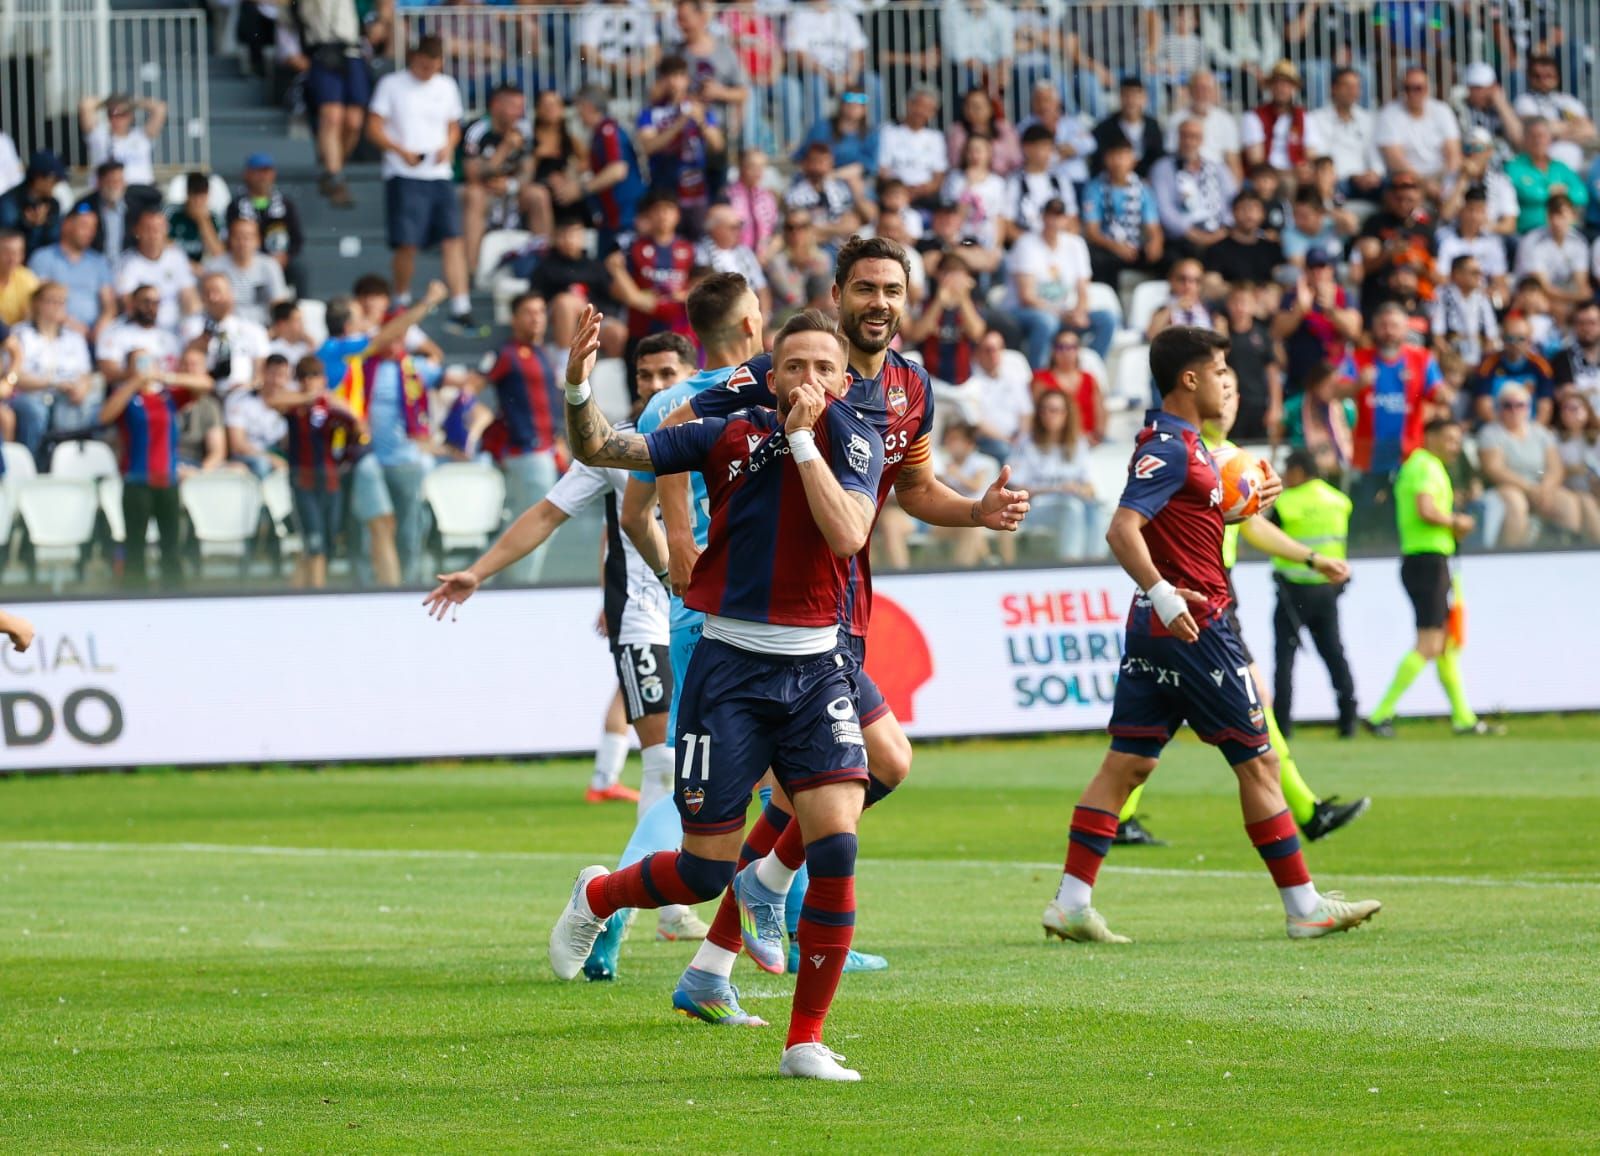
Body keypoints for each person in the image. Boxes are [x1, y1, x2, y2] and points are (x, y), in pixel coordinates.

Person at [643, 240, 1028, 1007]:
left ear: (907, 299)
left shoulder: (911, 385)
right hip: (774, 613)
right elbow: (680, 427)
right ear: (839, 294)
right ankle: (741, 906)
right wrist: (679, 533)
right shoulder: (782, 369)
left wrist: (975, 512)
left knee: (835, 787)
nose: (878, 301)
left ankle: (714, 963)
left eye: (891, 288)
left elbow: (914, 489)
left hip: (840, 614)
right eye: (864, 288)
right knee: (862, 773)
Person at [548, 306, 885, 1083]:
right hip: (730, 671)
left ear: (843, 380)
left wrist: (803, 440)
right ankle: (599, 894)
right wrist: (576, 385)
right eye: (793, 366)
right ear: (771, 373)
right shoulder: (724, 434)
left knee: (836, 844)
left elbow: (847, 535)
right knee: (704, 871)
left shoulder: (856, 438)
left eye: (823, 368)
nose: (807, 380)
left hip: (816, 671)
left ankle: (804, 1041)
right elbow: (603, 445)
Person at [1040, 326, 1379, 945]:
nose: (1230, 381)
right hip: (1196, 624)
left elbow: (1187, 518)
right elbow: (1123, 529)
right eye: (1220, 370)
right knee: (1261, 761)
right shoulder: (1170, 447)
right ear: (1190, 379)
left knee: (1129, 763)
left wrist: (1244, 506)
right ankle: (1303, 905)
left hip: (1157, 627)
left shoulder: (1190, 448)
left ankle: (1070, 902)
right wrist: (1166, 593)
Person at [425, 331, 692, 829]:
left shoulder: (714, 434)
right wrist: (478, 571)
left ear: (691, 377)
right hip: (642, 611)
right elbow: (548, 514)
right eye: (645, 375)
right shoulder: (615, 445)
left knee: (714, 765)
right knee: (664, 761)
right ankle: (667, 905)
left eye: (667, 374)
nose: (655, 385)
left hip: (705, 610)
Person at [1366, 419, 1500, 737]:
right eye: (1449, 439)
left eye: (1457, 441)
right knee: (1429, 643)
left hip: (1429, 561)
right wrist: (1456, 521)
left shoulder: (1423, 466)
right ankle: (1379, 714)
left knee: (1445, 644)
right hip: (1427, 561)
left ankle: (1463, 718)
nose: (1455, 446)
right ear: (1431, 437)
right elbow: (1425, 509)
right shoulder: (1424, 466)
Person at [332, 280, 451, 586]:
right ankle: (368, 582)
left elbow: (446, 376)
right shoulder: (359, 363)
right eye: (392, 334)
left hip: (405, 458)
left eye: (402, 336)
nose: (396, 340)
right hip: (369, 456)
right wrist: (429, 301)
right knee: (370, 525)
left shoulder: (415, 368)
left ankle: (409, 582)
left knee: (409, 527)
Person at [366, 36, 482, 336]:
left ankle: (461, 306)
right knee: (407, 242)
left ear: (440, 62)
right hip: (404, 173)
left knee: (453, 239)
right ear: (412, 58)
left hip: (439, 173)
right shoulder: (392, 84)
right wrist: (399, 149)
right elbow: (374, 127)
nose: (426, 71)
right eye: (422, 65)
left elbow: (454, 126)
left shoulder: (446, 86)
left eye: (432, 66)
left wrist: (449, 146)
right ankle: (401, 300)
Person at [99, 348, 216, 589]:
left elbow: (205, 384)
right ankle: (133, 596)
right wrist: (133, 384)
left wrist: (165, 377)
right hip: (136, 480)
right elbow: (105, 416)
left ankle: (173, 595)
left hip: (167, 480)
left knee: (171, 546)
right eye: (138, 362)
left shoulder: (167, 396)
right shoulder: (127, 397)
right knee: (136, 547)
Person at [477, 292, 567, 585]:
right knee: (537, 523)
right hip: (525, 451)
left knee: (529, 521)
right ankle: (520, 584)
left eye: (541, 311)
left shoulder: (543, 353)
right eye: (529, 312)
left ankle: (502, 578)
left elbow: (550, 403)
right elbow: (473, 387)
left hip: (545, 449)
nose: (536, 318)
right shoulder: (507, 354)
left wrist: (558, 439)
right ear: (514, 318)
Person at [1269, 449, 1357, 737]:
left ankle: (1283, 726)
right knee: (1334, 654)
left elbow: (1268, 535)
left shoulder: (1287, 502)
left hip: (1292, 591)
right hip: (1328, 590)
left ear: (1297, 472)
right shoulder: (1339, 501)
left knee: (1284, 660)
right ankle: (1348, 720)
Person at [276, 356, 363, 587]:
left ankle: (296, 591)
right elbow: (273, 400)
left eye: (314, 375)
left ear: (323, 379)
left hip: (329, 478)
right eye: (304, 376)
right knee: (314, 540)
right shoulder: (294, 406)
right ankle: (316, 592)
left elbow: (357, 423)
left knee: (327, 543)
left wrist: (328, 401)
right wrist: (308, 398)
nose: (309, 381)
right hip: (302, 478)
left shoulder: (332, 404)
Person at [1477, 382, 1586, 546]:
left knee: (1567, 503)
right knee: (1516, 503)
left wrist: (1545, 489)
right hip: (1506, 487)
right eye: (1508, 405)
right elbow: (1494, 469)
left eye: (1520, 405)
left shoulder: (1541, 433)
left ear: (1528, 408)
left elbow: (1555, 467)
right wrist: (1529, 488)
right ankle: (1511, 558)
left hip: (1540, 487)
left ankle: (1566, 555)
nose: (1514, 410)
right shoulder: (1490, 433)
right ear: (1500, 408)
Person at [1006, 387, 1104, 560]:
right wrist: (1057, 489)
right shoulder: (1027, 443)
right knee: (1071, 508)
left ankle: (1094, 564)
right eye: (1043, 410)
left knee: (1095, 507)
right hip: (1033, 507)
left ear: (1067, 414)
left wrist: (1079, 490)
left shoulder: (1078, 443)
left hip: (1072, 502)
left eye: (1054, 410)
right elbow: (1015, 488)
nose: (1048, 415)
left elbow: (1090, 485)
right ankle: (1071, 566)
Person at [607, 190, 696, 376]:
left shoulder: (689, 250)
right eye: (658, 210)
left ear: (677, 215)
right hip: (640, 333)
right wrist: (639, 298)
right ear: (649, 216)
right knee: (640, 396)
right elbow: (616, 290)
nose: (663, 215)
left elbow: (698, 286)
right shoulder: (634, 249)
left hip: (678, 336)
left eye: (668, 210)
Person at [636, 55, 724, 240]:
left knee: (698, 243)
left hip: (696, 189)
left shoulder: (700, 108)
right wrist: (679, 124)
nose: (674, 82)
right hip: (665, 189)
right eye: (669, 76)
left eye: (679, 76)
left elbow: (717, 145)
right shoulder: (651, 112)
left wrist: (700, 122)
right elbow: (648, 146)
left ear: (687, 79)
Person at [9, 281, 98, 452]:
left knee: (85, 408)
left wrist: (81, 389)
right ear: (36, 303)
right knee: (35, 411)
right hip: (30, 395)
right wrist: (52, 384)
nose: (56, 306)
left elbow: (85, 373)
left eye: (61, 302)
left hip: (66, 397)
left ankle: (70, 464)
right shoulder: (20, 334)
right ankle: (32, 465)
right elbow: (15, 375)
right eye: (51, 301)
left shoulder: (74, 338)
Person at [459, 85, 539, 272]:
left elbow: (528, 172)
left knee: (538, 194)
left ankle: (542, 261)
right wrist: (504, 148)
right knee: (475, 195)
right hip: (479, 190)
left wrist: (512, 185)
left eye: (521, 107)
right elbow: (472, 175)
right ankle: (472, 269)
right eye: (513, 106)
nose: (518, 113)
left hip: (511, 190)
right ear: (495, 105)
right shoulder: (477, 130)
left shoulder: (524, 131)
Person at [27, 202, 116, 341]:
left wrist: (100, 328)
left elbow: (109, 305)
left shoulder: (99, 262)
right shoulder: (43, 257)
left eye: (93, 227)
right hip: (55, 334)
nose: (90, 232)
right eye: (84, 226)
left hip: (95, 336)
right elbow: (40, 300)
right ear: (67, 225)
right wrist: (73, 326)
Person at [1151, 117, 1237, 259]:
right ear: (1177, 138)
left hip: (1219, 234)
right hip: (1181, 238)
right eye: (1184, 135)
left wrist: (1223, 231)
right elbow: (1164, 209)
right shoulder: (1162, 168)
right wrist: (1193, 234)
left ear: (1202, 140)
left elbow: (1233, 201)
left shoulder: (1219, 169)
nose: (1189, 141)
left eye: (1194, 136)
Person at [575, 87, 646, 255]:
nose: (577, 115)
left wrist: (581, 189)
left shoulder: (608, 130)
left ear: (587, 106)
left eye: (578, 108)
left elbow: (617, 170)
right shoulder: (601, 132)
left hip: (624, 215)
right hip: (612, 217)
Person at [1081, 140, 1164, 285]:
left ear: (1133, 159)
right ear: (1106, 159)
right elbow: (1092, 232)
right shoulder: (1093, 188)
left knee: (1167, 257)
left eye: (1123, 156)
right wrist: (1116, 247)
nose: (1118, 162)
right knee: (1097, 259)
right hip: (1106, 247)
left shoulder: (1144, 189)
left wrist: (1156, 242)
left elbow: (1153, 227)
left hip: (1135, 248)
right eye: (1114, 156)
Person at [1376, 68, 1461, 203]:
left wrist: (1448, 184)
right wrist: (1425, 184)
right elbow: (1396, 161)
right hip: (1408, 179)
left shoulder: (1442, 110)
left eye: (1418, 88)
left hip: (1441, 176)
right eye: (1407, 88)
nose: (1412, 93)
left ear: (1428, 89)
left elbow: (1453, 154)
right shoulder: (1389, 114)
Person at [179, 273, 271, 395]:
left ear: (230, 293)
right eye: (207, 293)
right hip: (205, 392)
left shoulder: (254, 330)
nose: (213, 298)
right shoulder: (192, 327)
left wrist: (251, 386)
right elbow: (187, 364)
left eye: (217, 292)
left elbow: (261, 372)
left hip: (243, 394)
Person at [227, 154, 306, 295]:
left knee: (298, 271)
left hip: (280, 261)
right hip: (246, 260)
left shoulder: (285, 205)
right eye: (258, 171)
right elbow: (229, 238)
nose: (263, 176)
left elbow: (297, 238)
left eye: (267, 171)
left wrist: (286, 256)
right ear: (247, 174)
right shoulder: (236, 206)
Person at [114, 209, 199, 333]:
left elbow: (189, 297)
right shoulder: (127, 263)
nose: (154, 234)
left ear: (166, 231)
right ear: (137, 231)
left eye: (158, 229)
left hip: (176, 328)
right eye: (148, 229)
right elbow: (128, 305)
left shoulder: (177, 257)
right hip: (142, 328)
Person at [1306, 67, 1384, 200]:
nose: (1352, 91)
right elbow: (1320, 158)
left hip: (1366, 180)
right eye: (1347, 86)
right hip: (1337, 181)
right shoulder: (1315, 118)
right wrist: (1352, 177)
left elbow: (1375, 156)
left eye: (1356, 86)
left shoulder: (1368, 119)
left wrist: (1374, 173)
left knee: (1396, 188)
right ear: (1333, 88)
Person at [1512, 54, 1596, 173]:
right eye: (1537, 76)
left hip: (1575, 171)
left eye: (1548, 76)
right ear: (1529, 78)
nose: (1542, 80)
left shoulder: (1569, 101)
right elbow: (1536, 129)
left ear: (1557, 77)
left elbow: (1589, 131)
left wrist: (1554, 132)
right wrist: (1572, 128)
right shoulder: (1524, 101)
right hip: (1542, 171)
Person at [1506, 119, 1588, 235]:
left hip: (1566, 231)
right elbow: (1528, 193)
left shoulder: (1560, 167)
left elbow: (1581, 194)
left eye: (1542, 136)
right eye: (1533, 136)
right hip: (1530, 230)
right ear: (1525, 139)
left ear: (1550, 139)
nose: (1538, 140)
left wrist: (1564, 192)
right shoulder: (1514, 166)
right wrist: (1554, 192)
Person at [202, 218, 288, 328]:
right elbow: (207, 304)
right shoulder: (214, 267)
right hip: (224, 328)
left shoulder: (270, 265)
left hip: (263, 329)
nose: (243, 242)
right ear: (229, 239)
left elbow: (279, 304)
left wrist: (274, 332)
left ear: (258, 240)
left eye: (248, 237)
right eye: (237, 237)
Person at [1241, 59, 1316, 180]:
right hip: (1265, 177)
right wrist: (1287, 173)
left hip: (1297, 175)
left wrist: (1305, 168)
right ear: (1270, 86)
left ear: (1294, 88)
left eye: (1287, 84)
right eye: (1277, 83)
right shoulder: (1253, 116)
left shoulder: (1304, 116)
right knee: (1286, 181)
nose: (1282, 88)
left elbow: (1311, 154)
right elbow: (1256, 160)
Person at [877, 88, 948, 207]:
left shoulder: (936, 137)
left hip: (925, 196)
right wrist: (901, 190)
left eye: (928, 108)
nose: (921, 111)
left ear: (933, 113)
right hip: (894, 194)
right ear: (908, 104)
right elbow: (883, 170)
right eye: (918, 105)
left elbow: (938, 176)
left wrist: (921, 190)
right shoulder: (888, 132)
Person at [79, 94, 165, 190]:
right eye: (111, 113)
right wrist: (111, 102)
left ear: (131, 116)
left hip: (141, 192)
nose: (116, 118)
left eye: (122, 114)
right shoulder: (99, 137)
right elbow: (86, 106)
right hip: (108, 192)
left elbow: (159, 108)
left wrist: (130, 103)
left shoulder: (142, 136)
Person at [1033, 332, 1106, 444]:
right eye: (1061, 347)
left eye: (1071, 347)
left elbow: (1101, 412)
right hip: (1056, 443)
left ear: (1078, 350)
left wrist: (1098, 436)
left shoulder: (1089, 378)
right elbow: (1040, 418)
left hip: (1090, 443)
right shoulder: (1041, 380)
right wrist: (1078, 438)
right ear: (1053, 351)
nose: (1066, 352)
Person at [1431, 254, 1500, 371]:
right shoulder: (1442, 295)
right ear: (1458, 274)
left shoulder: (1482, 298)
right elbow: (1438, 337)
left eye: (1480, 272)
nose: (1479, 276)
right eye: (1474, 273)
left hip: (1479, 358)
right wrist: (1453, 360)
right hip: (1452, 359)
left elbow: (1491, 337)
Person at [1202, 191, 1283, 288]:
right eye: (1243, 208)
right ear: (1233, 212)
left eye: (1254, 208)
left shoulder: (1272, 249)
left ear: (1263, 214)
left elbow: (1280, 281)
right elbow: (1212, 283)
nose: (1249, 213)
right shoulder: (1217, 249)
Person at [1091, 75, 1165, 179]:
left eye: (1135, 96)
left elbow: (1158, 157)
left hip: (1148, 180)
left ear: (1144, 98)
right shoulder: (1105, 127)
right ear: (1120, 97)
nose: (1131, 101)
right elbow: (1100, 160)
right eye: (1126, 95)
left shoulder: (1153, 125)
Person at [0, 152, 64, 259]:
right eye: (54, 179)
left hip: (44, 264)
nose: (56, 184)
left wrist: (43, 224)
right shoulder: (8, 202)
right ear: (38, 178)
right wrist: (28, 225)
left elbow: (54, 242)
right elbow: (6, 241)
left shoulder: (53, 204)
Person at [167, 172, 224, 271]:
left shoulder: (214, 218)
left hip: (203, 271)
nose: (198, 202)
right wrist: (189, 265)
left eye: (202, 196)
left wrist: (202, 221)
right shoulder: (172, 212)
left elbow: (219, 254)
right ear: (188, 194)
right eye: (195, 195)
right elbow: (161, 245)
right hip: (174, 268)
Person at [0, 231, 40, 327]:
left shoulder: (28, 278)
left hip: (15, 337)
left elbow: (31, 317)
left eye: (18, 252)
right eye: (6, 252)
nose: (12, 258)